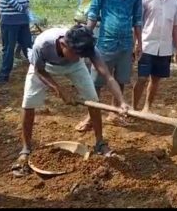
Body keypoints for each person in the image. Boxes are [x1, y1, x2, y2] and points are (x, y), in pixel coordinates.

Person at [11, 25, 129, 177]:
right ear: (63, 45)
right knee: (28, 102)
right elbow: (39, 70)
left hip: (75, 68)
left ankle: (100, 143)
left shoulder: (85, 48)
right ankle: (26, 149)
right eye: (76, 54)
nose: (79, 57)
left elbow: (107, 75)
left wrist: (122, 101)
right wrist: (60, 90)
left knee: (93, 99)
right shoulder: (43, 44)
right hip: (44, 67)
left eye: (82, 55)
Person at [76, 0, 142, 131]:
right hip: (105, 41)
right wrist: (87, 34)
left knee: (121, 80)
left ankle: (115, 112)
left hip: (126, 43)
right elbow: (93, 11)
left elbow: (138, 19)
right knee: (96, 82)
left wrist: (139, 43)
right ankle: (90, 116)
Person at [132, 0, 177, 113]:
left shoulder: (176, 0)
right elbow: (137, 23)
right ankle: (134, 107)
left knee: (156, 80)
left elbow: (176, 26)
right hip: (146, 44)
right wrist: (136, 43)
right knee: (142, 79)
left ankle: (147, 106)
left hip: (165, 48)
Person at [0, 0, 32, 84]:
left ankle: (3, 76)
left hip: (10, 21)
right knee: (28, 47)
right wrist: (24, 10)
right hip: (23, 19)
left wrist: (20, 8)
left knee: (8, 49)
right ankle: (40, 69)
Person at [75, 0, 99, 70]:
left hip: (98, 26)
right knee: (84, 53)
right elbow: (80, 6)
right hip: (83, 25)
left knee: (97, 54)